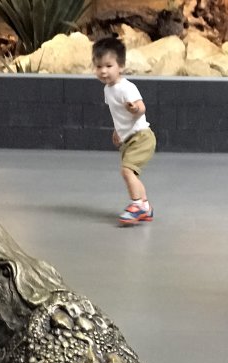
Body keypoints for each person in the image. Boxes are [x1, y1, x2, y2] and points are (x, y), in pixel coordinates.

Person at [91, 36, 157, 227]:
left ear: (120, 66)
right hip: (129, 138)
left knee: (126, 171)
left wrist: (135, 109)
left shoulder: (126, 87)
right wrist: (117, 130)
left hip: (142, 137)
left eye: (108, 66)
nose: (103, 71)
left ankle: (136, 205)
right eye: (98, 66)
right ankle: (145, 206)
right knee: (132, 174)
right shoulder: (108, 89)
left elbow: (141, 107)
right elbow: (117, 114)